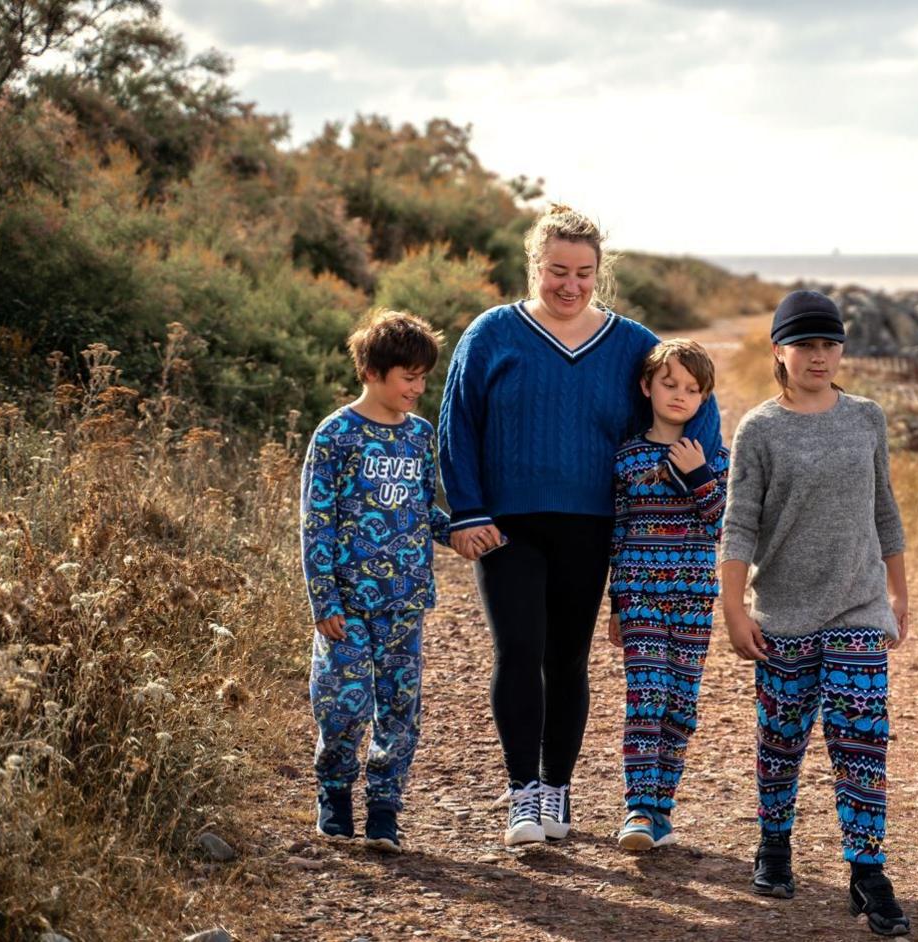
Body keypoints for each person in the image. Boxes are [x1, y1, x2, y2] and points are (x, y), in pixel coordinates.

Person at [437, 204, 721, 847]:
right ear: (534, 266)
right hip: (507, 524)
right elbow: (459, 423)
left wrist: (691, 470)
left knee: (566, 658)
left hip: (592, 523)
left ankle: (558, 789)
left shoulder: (631, 344)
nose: (570, 284)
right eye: (557, 270)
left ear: (599, 272)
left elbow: (694, 395)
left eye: (584, 273)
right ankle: (522, 797)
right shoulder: (492, 334)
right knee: (518, 650)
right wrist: (467, 510)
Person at [718, 290, 913, 936]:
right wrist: (733, 609)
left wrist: (898, 590)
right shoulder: (759, 430)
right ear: (780, 351)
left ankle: (868, 871)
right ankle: (774, 844)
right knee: (781, 741)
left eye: (830, 344)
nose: (820, 356)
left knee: (861, 742)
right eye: (806, 344)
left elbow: (883, 508)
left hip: (858, 606)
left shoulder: (866, 418)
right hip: (783, 613)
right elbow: (739, 525)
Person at [301, 309, 452, 854]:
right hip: (347, 604)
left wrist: (463, 535)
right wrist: (324, 599)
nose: (417, 387)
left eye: (422, 377)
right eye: (407, 376)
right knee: (343, 704)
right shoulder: (336, 435)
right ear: (372, 372)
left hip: (404, 602)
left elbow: (422, 510)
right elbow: (316, 522)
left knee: (399, 708)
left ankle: (385, 809)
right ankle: (335, 794)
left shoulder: (420, 436)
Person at [605, 339, 730, 851]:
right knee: (648, 695)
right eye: (670, 384)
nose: (680, 395)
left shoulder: (716, 458)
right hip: (640, 593)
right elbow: (617, 531)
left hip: (695, 595)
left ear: (704, 397)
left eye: (692, 389)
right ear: (647, 387)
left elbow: (722, 523)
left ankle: (660, 809)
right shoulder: (629, 457)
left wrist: (698, 474)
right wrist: (614, 602)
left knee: (681, 704)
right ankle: (637, 807)